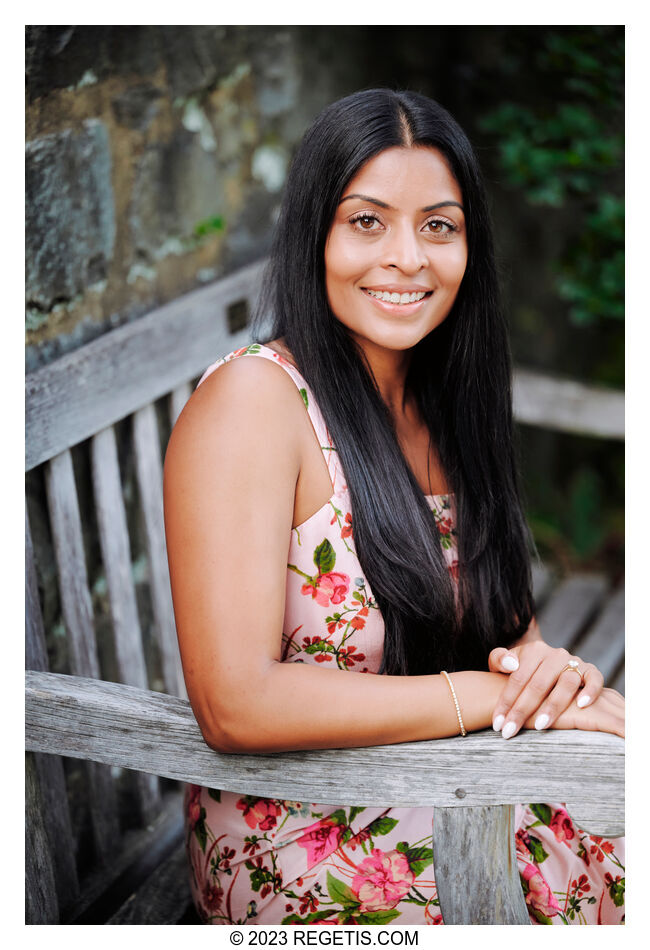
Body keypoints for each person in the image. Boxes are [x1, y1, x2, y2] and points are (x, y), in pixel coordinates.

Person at [163, 89, 625, 925]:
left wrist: (551, 679)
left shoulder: (446, 397)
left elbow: (504, 634)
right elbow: (235, 703)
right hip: (305, 835)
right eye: (367, 221)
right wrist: (492, 699)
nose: (408, 257)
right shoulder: (254, 404)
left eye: (438, 226)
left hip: (446, 777)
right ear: (316, 235)